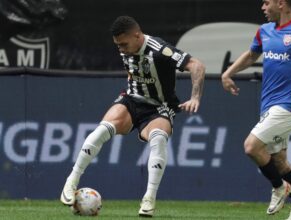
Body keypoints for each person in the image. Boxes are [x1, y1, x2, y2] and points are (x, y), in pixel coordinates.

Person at [60, 15, 205, 217]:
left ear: (137, 36)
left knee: (158, 138)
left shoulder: (160, 49)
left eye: (123, 44)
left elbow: (197, 65)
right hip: (132, 100)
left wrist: (195, 97)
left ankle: (149, 199)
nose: (120, 49)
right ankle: (71, 181)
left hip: (159, 107)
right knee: (102, 129)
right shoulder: (126, 47)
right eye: (117, 45)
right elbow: (132, 69)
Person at [221, 0, 291, 219]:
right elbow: (252, 54)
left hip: (290, 105)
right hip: (268, 104)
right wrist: (228, 73)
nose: (263, 7)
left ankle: (279, 187)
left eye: (266, 2)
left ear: (281, 3)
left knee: (251, 147)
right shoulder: (264, 31)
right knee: (279, 161)